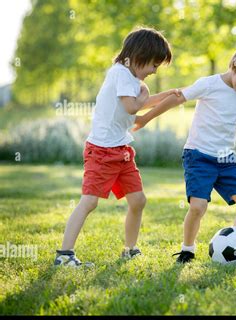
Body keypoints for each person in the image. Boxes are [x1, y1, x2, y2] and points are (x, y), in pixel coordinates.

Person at [133, 40, 236, 263]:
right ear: (235, 64)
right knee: (198, 207)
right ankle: (188, 249)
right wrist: (145, 118)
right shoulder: (209, 84)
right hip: (198, 156)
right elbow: (176, 98)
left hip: (226, 160)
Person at [54, 27, 180, 267]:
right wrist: (146, 94)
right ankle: (64, 254)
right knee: (89, 202)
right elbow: (133, 107)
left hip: (122, 151)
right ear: (138, 56)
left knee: (138, 200)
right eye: (153, 64)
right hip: (101, 151)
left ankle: (130, 249)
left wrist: (167, 95)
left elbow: (137, 103)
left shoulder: (130, 78)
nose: (154, 70)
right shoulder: (120, 73)